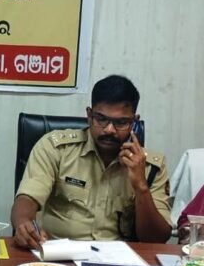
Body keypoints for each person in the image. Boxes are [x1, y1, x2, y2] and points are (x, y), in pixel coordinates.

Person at [11, 75, 171, 249]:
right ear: (89, 115)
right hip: (59, 254)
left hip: (118, 259)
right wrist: (23, 223)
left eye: (121, 122)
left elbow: (157, 239)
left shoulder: (150, 166)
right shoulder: (56, 148)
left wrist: (141, 186)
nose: (109, 129)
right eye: (101, 119)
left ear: (134, 122)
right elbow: (27, 198)